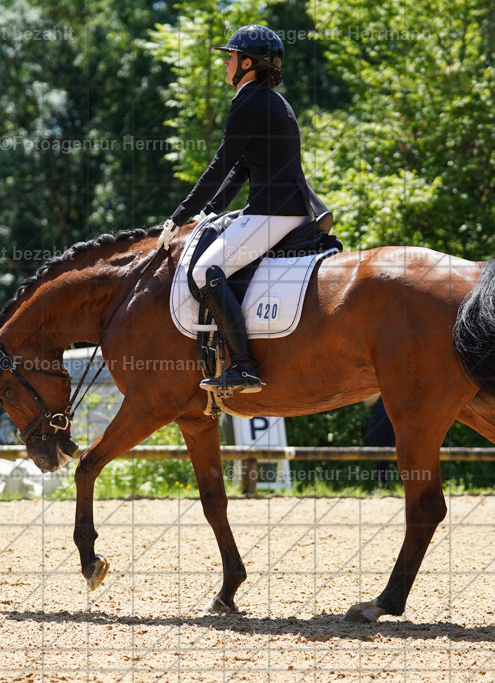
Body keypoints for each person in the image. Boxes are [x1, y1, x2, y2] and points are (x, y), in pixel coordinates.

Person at [157, 24, 329, 394]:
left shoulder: (248, 102)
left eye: (230, 58)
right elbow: (242, 167)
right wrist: (214, 209)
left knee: (205, 271)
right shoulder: (273, 101)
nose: (225, 65)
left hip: (273, 212)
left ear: (247, 63)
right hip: (289, 208)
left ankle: (244, 367)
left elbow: (219, 166)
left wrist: (179, 216)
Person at [364, 395, 396, 487]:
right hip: (378, 424)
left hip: (398, 421)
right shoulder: (374, 383)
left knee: (403, 454)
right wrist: (381, 387)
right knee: (379, 457)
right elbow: (367, 403)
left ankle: (406, 485)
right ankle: (383, 485)